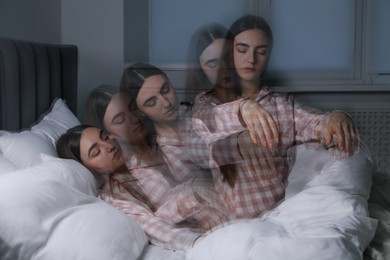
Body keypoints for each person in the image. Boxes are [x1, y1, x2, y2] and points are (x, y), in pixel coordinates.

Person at [190, 15, 361, 218]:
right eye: (242, 50)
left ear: (269, 56)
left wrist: (337, 117)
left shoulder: (282, 104)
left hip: (282, 214)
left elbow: (314, 122)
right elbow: (204, 137)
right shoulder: (207, 104)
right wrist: (242, 110)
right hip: (237, 223)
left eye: (261, 52)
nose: (251, 59)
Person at [120, 62, 280, 218]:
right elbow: (162, 211)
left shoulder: (200, 110)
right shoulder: (149, 161)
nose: (166, 103)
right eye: (151, 102)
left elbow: (216, 119)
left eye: (165, 89)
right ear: (139, 111)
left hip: (256, 203)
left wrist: (244, 107)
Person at [56, 124, 230, 251]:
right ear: (88, 168)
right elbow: (153, 226)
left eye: (105, 137)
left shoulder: (140, 155)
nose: (108, 146)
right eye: (96, 152)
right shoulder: (115, 196)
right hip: (214, 227)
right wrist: (201, 244)